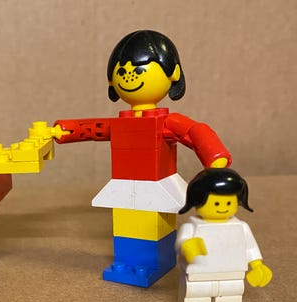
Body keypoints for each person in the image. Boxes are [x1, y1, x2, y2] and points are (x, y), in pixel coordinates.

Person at [53, 30, 231, 287]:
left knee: (154, 225)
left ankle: (152, 262)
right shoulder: (121, 123)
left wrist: (214, 158)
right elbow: (94, 128)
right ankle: (127, 263)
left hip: (157, 183)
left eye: (138, 71)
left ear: (173, 74)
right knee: (126, 224)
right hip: (124, 184)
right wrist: (66, 130)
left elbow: (195, 132)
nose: (129, 77)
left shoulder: (167, 122)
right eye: (122, 72)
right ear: (112, 80)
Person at [175, 168, 272, 302]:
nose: (223, 207)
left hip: (233, 273)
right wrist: (186, 246)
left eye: (228, 203)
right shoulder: (191, 227)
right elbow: (180, 244)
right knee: (196, 296)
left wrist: (257, 265)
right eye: (216, 203)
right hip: (199, 274)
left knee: (230, 297)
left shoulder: (241, 227)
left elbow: (250, 247)